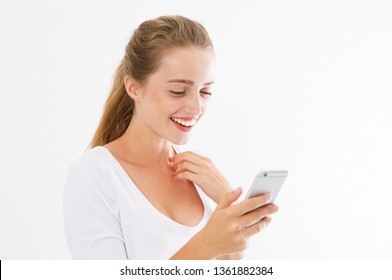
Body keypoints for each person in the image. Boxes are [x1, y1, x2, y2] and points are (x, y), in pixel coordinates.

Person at [63, 15, 278, 260]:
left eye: (205, 91)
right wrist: (208, 244)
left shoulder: (201, 175)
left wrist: (229, 214)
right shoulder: (95, 175)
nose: (196, 108)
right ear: (133, 88)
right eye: (178, 91)